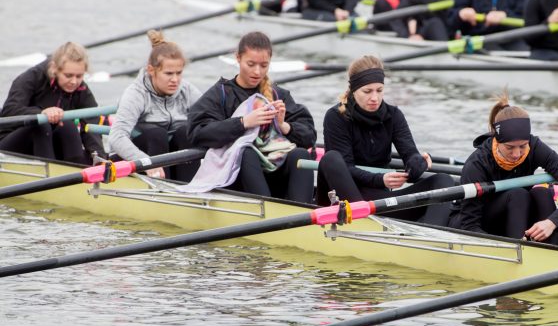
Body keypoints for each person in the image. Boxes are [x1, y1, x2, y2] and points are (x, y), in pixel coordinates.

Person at [317, 55, 455, 225]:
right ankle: (362, 221)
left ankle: (433, 235)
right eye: (367, 91)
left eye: (379, 90)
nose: (374, 97)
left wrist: (419, 163)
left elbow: (410, 155)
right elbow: (345, 167)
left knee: (444, 180)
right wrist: (380, 179)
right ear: (353, 90)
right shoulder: (336, 117)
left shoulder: (394, 115)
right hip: (344, 199)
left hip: (379, 201)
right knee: (331, 159)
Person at [186, 31, 316, 202]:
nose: (257, 71)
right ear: (238, 58)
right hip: (236, 178)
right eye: (251, 64)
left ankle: (302, 210)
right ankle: (267, 208)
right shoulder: (220, 94)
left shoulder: (278, 95)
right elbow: (197, 133)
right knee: (246, 152)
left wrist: (285, 126)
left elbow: (310, 137)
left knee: (300, 154)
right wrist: (243, 122)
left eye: (264, 65)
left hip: (274, 173)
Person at [449, 93, 558, 242]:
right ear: (497, 141)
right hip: (472, 223)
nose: (517, 154)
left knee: (543, 193)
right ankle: (518, 245)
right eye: (510, 147)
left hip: (516, 215)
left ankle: (551, 245)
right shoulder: (477, 164)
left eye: (522, 146)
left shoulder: (535, 147)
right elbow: (469, 225)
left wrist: (553, 221)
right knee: (518, 194)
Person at [109, 30, 201, 182]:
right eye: (169, 73)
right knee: (157, 134)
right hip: (134, 157)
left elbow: (211, 120)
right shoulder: (136, 94)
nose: (175, 80)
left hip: (167, 157)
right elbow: (116, 137)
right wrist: (145, 162)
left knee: (187, 132)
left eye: (179, 73)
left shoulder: (187, 90)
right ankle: (163, 186)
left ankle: (190, 187)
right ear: (151, 70)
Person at [0, 41, 104, 164]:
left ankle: (77, 167)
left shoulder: (82, 90)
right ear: (55, 69)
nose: (74, 82)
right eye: (68, 75)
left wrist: (99, 158)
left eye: (79, 76)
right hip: (9, 145)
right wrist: (41, 113)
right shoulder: (31, 77)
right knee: (41, 124)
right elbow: (9, 110)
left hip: (46, 145)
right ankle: (50, 170)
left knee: (68, 126)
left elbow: (92, 126)